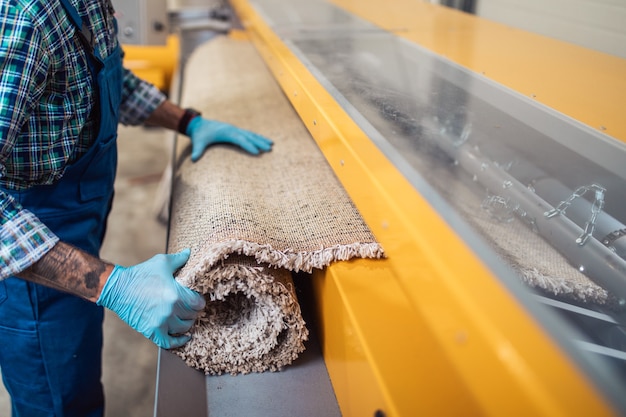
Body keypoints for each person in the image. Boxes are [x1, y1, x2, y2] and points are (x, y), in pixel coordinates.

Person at [0, 0, 273, 415]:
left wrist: (188, 122)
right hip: (29, 246)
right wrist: (109, 284)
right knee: (59, 398)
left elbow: (102, 82)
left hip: (80, 219)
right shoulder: (22, 21)